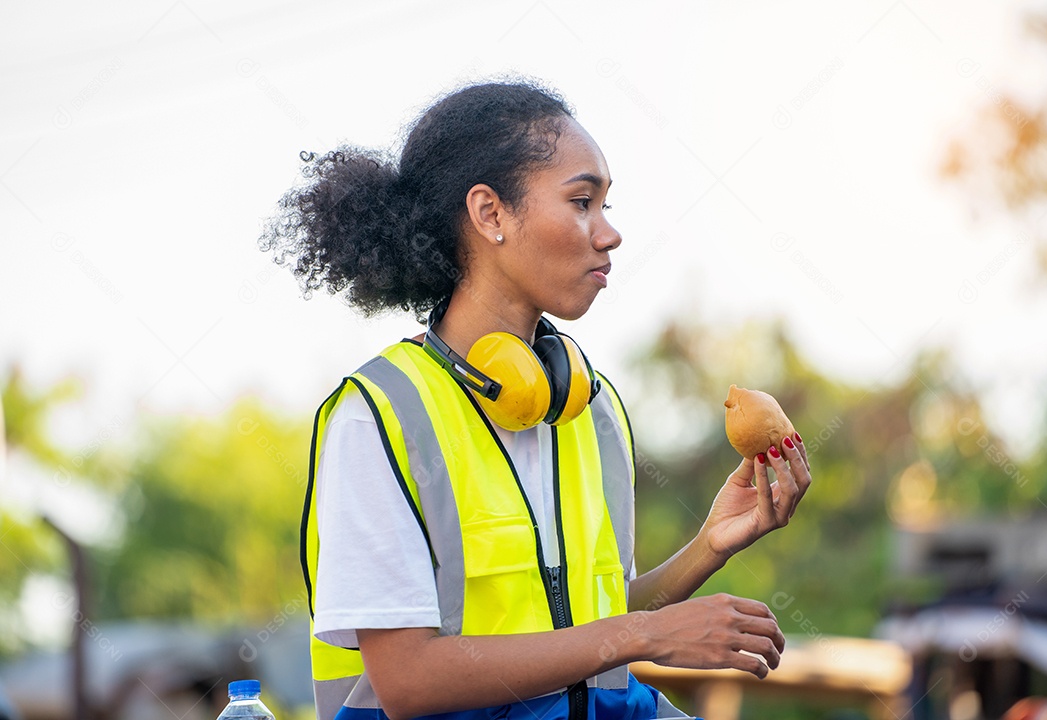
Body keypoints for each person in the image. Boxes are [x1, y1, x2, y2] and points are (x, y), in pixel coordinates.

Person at [261, 78, 812, 720]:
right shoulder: (378, 415)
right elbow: (407, 680)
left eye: (606, 205)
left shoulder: (591, 408)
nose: (609, 234)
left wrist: (710, 544)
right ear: (491, 213)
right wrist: (646, 637)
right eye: (582, 201)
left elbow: (583, 624)